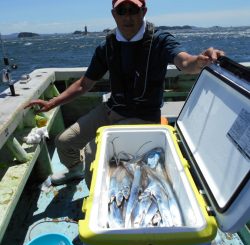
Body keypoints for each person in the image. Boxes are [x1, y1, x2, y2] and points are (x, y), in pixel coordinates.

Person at [24, 0, 224, 186]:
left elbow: (185, 61)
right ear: (114, 14)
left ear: (143, 11)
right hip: (112, 109)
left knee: (93, 151)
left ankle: (98, 202)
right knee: (65, 141)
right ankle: (75, 170)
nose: (127, 16)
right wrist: (52, 102)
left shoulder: (160, 41)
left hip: (143, 115)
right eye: (122, 10)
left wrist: (198, 62)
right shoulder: (107, 46)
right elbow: (84, 84)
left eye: (133, 10)